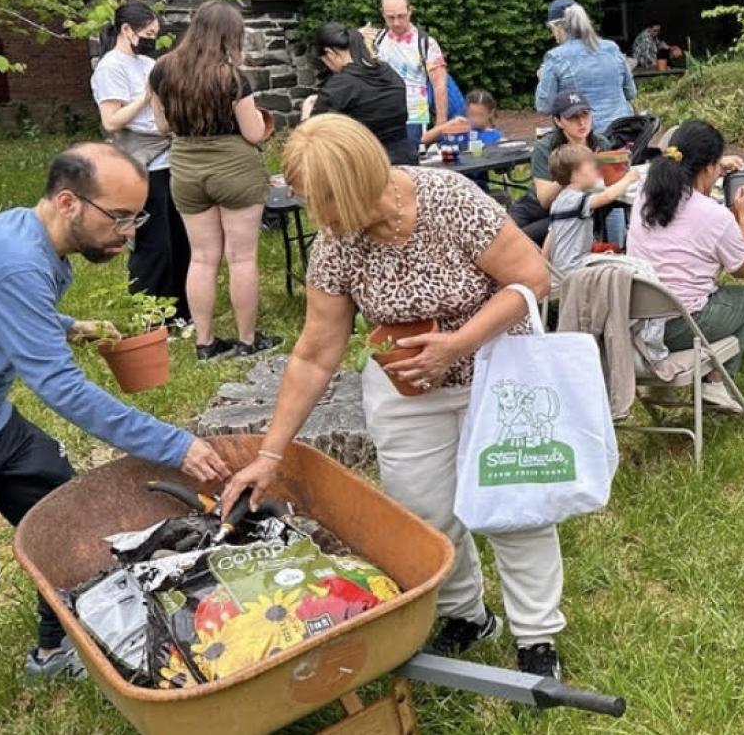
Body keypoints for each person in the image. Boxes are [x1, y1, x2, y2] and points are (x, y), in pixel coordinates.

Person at [220, 114, 566, 677]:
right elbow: (314, 351)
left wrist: (457, 344)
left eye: (321, 201)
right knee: (424, 512)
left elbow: (532, 278)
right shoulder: (337, 243)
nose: (316, 217)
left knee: (513, 508)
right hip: (409, 384)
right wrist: (270, 453)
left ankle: (537, 637)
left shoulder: (450, 200)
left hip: (496, 374)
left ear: (356, 186)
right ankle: (466, 615)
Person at [0, 143, 233, 679]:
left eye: (136, 216)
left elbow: (6, 307)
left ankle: (53, 653)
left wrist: (67, 325)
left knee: (73, 527)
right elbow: (62, 389)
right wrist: (175, 444)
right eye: (118, 217)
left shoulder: (26, 234)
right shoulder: (16, 262)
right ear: (69, 202)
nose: (131, 232)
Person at [148, 0, 280, 361]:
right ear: (228, 36)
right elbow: (253, 133)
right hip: (234, 167)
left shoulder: (161, 71)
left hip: (186, 166)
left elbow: (162, 127)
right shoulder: (232, 77)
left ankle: (204, 342)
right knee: (241, 258)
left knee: (202, 258)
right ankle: (247, 340)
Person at [627, 121, 744, 414]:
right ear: (709, 167)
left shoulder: (645, 194)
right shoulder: (713, 215)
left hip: (636, 319)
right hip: (678, 325)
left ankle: (710, 378)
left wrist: (715, 166)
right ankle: (716, 382)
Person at [91, 1, 191, 325]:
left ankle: (181, 311)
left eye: (155, 33)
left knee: (179, 238)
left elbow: (161, 110)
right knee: (153, 243)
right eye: (147, 33)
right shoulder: (110, 68)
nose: (151, 38)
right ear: (127, 30)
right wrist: (145, 96)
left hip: (167, 155)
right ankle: (151, 314)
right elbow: (111, 121)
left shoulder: (148, 62)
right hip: (138, 163)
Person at [510, 90, 626, 246]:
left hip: (570, 212)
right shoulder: (546, 146)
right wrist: (572, 170)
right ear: (558, 121)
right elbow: (544, 200)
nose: (581, 122)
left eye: (585, 114)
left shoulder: (600, 144)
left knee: (516, 242)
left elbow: (607, 185)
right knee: (502, 234)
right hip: (535, 207)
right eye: (572, 117)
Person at [302, 23, 411, 165]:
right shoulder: (388, 72)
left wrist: (307, 107)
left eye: (324, 62)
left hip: (366, 169)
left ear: (330, 54)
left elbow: (311, 140)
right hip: (405, 160)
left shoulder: (339, 86)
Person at [534, 0, 637, 138]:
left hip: (587, 138)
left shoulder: (556, 57)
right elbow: (630, 92)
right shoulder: (611, 48)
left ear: (558, 27)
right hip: (624, 133)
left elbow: (544, 107)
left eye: (551, 29)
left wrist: (542, 79)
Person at [544, 144, 639, 283]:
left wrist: (545, 264)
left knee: (614, 259)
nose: (596, 169)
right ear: (576, 173)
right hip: (576, 267)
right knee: (630, 267)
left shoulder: (559, 201)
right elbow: (607, 197)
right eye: (591, 166)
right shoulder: (576, 200)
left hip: (558, 269)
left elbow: (551, 236)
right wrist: (628, 179)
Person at [374, 0, 451, 158]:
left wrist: (440, 125)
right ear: (382, 13)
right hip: (383, 117)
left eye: (401, 16)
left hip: (414, 118)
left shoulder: (425, 43)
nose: (396, 22)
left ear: (410, 11)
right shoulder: (376, 41)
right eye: (390, 17)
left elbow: (439, 85)